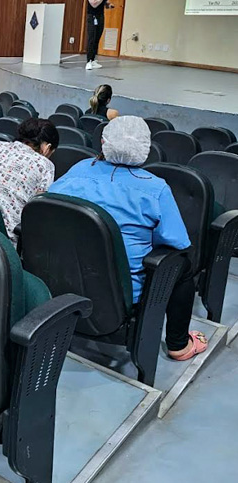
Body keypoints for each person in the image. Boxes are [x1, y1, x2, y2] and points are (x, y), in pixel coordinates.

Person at [49, 116, 204, 361]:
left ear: (102, 142)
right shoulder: (155, 188)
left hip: (62, 279)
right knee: (182, 265)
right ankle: (179, 344)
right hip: (120, 291)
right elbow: (178, 243)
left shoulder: (79, 169)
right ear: (146, 150)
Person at [85, 0, 114, 71]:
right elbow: (95, 4)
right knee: (91, 39)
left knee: (97, 38)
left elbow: (104, 3)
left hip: (101, 16)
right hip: (92, 17)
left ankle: (93, 60)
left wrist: (109, 5)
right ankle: (88, 61)